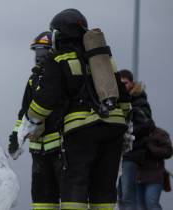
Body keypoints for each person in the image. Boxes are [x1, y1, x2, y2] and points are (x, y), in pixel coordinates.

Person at [18, 9, 131, 210]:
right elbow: (123, 97)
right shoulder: (103, 59)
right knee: (104, 187)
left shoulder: (59, 59)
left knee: (75, 183)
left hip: (81, 130)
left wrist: (30, 121)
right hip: (114, 128)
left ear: (59, 35)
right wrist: (127, 129)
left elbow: (46, 100)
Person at [8, 31, 63, 210]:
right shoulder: (34, 80)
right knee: (41, 200)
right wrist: (16, 136)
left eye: (43, 50)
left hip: (61, 150)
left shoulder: (61, 76)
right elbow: (24, 113)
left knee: (69, 197)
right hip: (38, 151)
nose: (39, 55)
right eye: (36, 50)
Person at [119, 69, 172, 210]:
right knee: (123, 198)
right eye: (120, 83)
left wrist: (127, 132)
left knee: (140, 201)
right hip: (124, 158)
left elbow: (147, 125)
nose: (122, 86)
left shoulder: (140, 102)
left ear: (132, 83)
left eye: (125, 82)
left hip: (136, 160)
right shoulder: (117, 101)